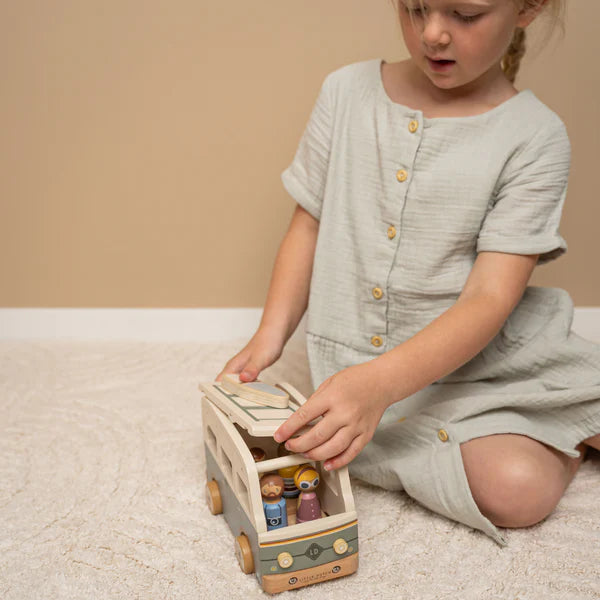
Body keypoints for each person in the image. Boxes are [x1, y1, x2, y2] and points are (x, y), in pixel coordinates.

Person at [218, 0, 600, 545]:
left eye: (464, 15)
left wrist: (379, 385)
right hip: (368, 379)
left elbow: (490, 298)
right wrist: (268, 337)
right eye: (414, 8)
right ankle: (560, 429)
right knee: (516, 489)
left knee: (544, 450)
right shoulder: (345, 92)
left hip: (488, 360)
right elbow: (307, 226)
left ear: (527, 8)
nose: (434, 34)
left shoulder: (536, 136)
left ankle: (567, 424)